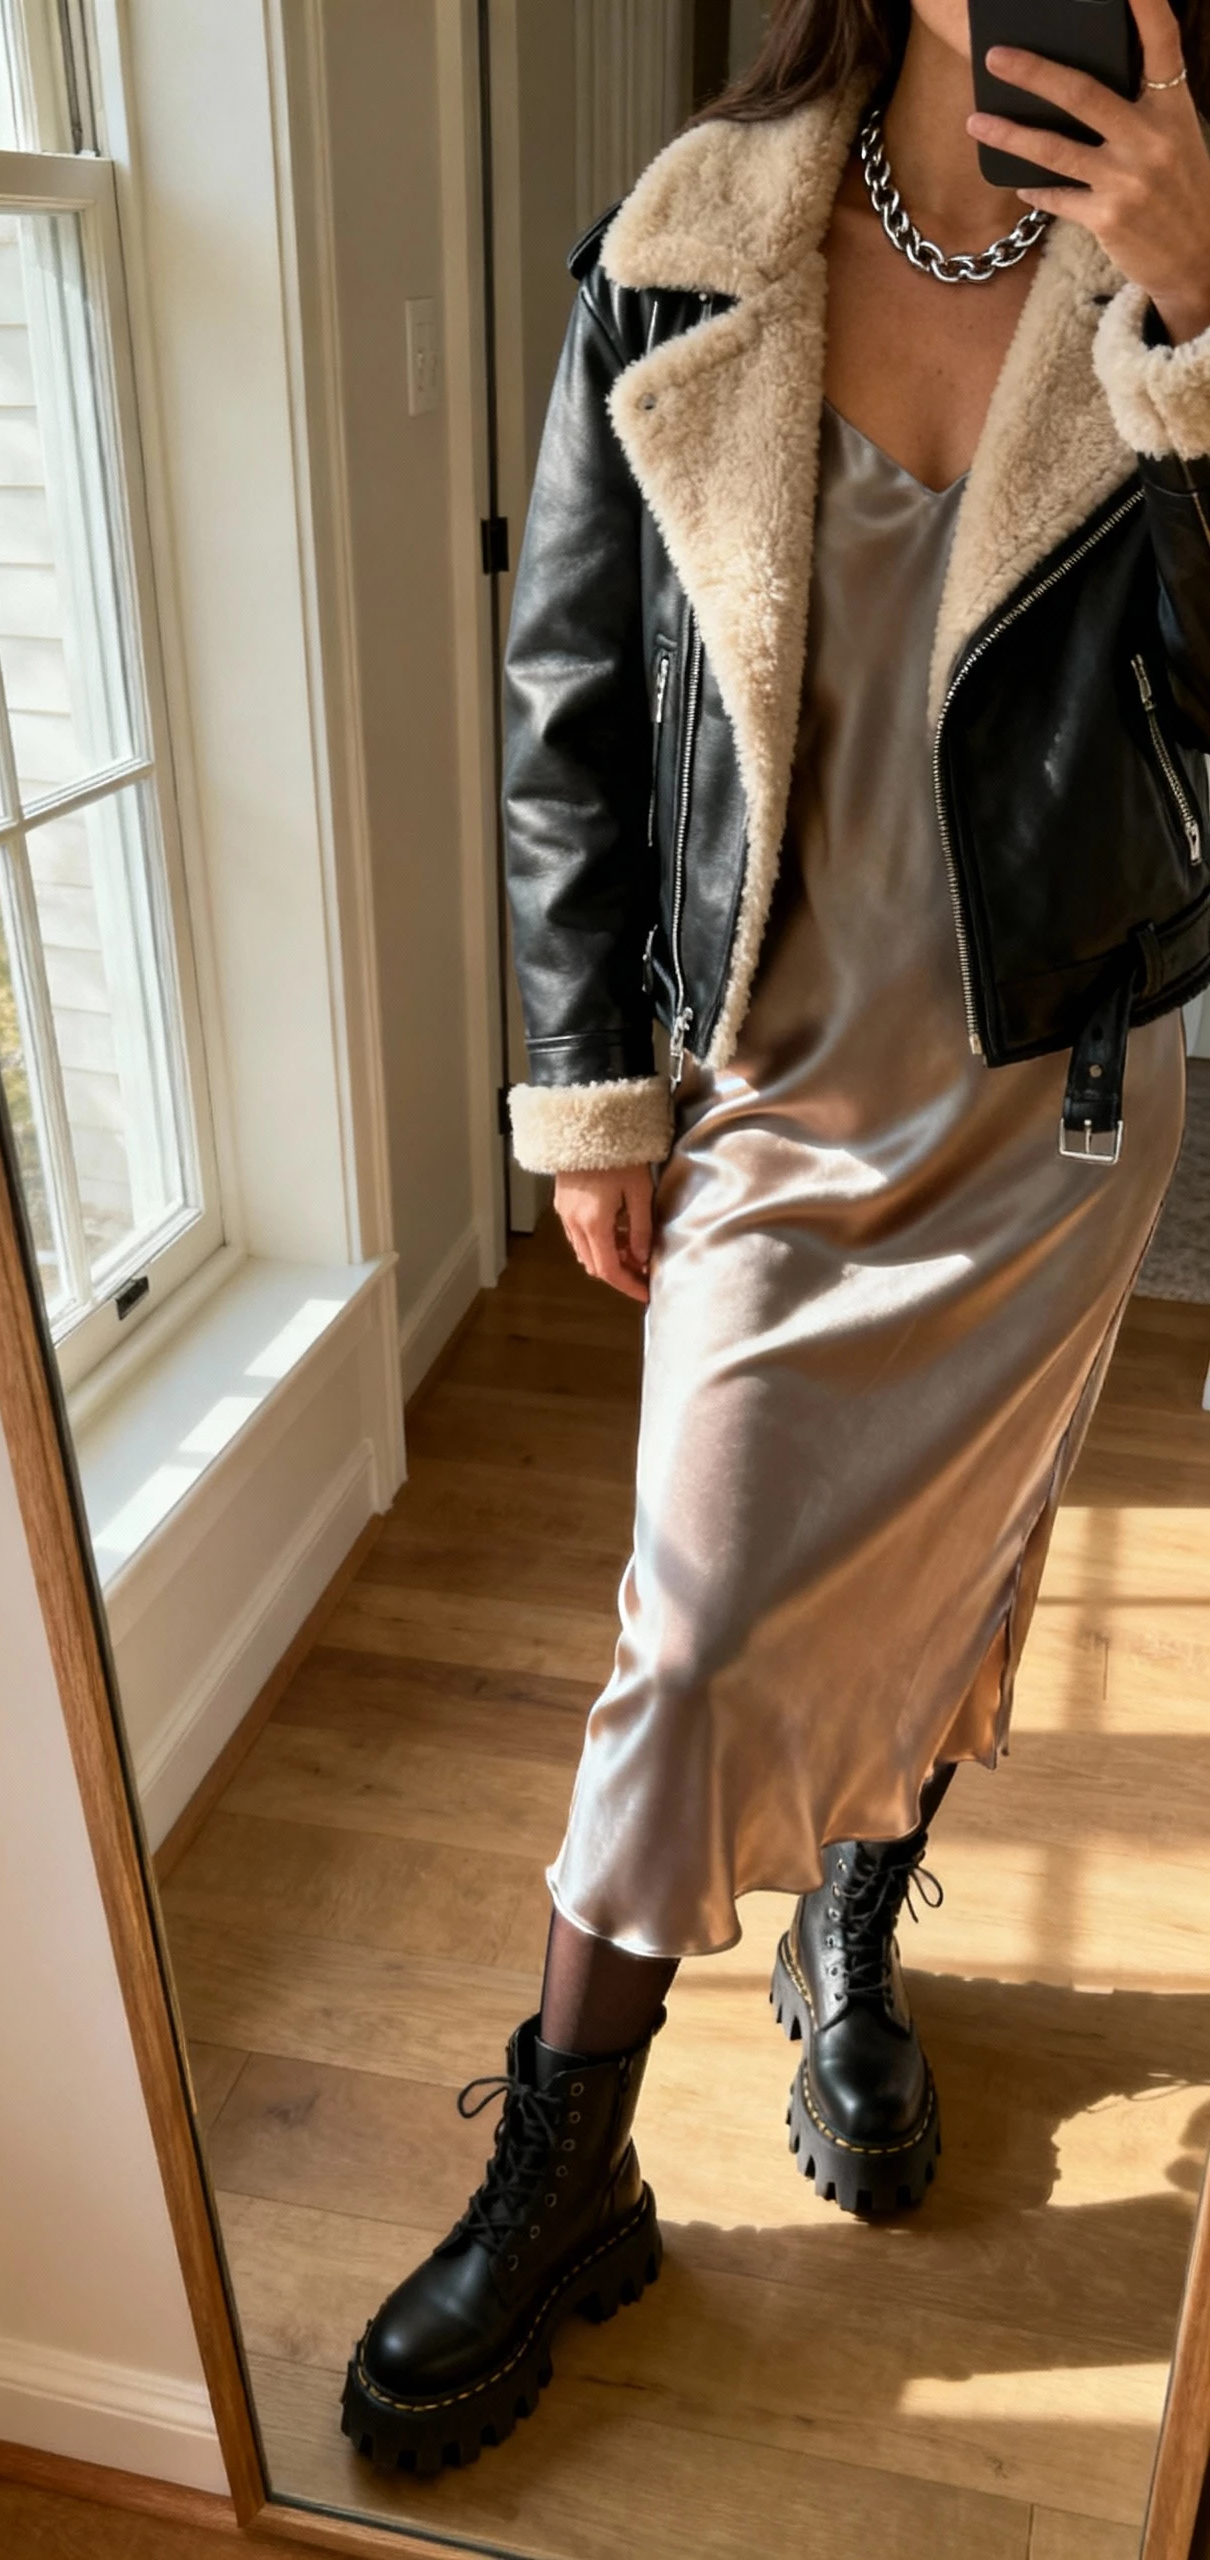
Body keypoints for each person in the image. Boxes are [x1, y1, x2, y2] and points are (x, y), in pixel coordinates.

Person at [342, 0, 1210, 2474]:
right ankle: (566, 2154)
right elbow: (572, 707)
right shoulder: (686, 240)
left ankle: (849, 1917)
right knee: (698, 1623)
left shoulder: (1194, 238)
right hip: (772, 1084)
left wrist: (1201, 329)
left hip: (1052, 1104)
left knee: (953, 1569)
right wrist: (590, 1091)